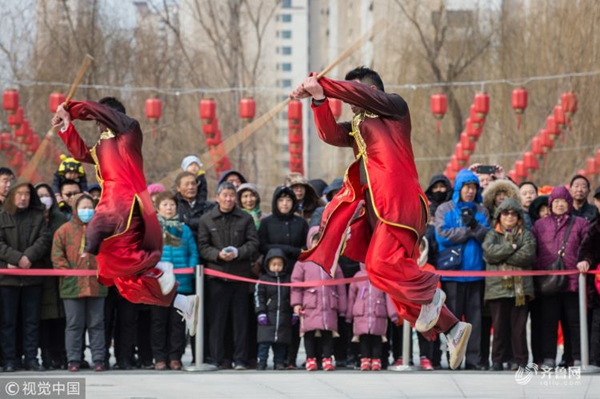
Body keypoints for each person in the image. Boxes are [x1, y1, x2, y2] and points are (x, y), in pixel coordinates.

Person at [290, 67, 470, 370]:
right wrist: (319, 99)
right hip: (378, 211)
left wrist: (325, 84)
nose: (349, 97)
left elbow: (359, 94)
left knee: (378, 265)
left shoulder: (394, 108)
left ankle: (429, 290)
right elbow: (330, 134)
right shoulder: (358, 125)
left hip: (399, 204)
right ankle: (452, 327)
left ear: (374, 90)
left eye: (353, 89)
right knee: (380, 274)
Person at [52, 99, 198, 329]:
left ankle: (157, 269)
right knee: (123, 281)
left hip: (128, 203)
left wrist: (71, 108)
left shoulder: (129, 131)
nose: (97, 125)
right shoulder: (102, 146)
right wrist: (66, 124)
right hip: (112, 205)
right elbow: (80, 152)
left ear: (106, 117)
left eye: (99, 119)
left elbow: (98, 112)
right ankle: (182, 301)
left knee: (113, 256)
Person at [197, 181, 259, 370]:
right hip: (216, 277)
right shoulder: (207, 220)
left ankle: (240, 359)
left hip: (240, 277)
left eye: (232, 195)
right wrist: (217, 255)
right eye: (225, 195)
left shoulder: (245, 218)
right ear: (217, 198)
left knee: (240, 321)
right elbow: (203, 246)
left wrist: (239, 252)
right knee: (217, 321)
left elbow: (254, 243)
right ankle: (217, 358)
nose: (228, 199)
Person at [435, 169, 490, 370]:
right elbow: (442, 235)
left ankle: (474, 360)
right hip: (453, 273)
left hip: (476, 272)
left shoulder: (482, 211)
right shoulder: (444, 209)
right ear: (459, 188)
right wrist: (467, 231)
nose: (470, 191)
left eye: (474, 187)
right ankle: (453, 359)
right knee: (453, 320)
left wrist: (475, 225)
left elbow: (487, 236)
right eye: (467, 187)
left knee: (475, 320)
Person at [531, 186, 589, 368]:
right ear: (550, 204)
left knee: (574, 322)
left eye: (563, 201)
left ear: (569, 203)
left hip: (573, 280)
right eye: (555, 201)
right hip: (548, 281)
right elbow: (533, 251)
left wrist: (585, 259)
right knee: (548, 322)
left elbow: (588, 246)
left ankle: (576, 357)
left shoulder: (580, 223)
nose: (559, 204)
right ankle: (548, 358)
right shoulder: (540, 225)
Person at [0, 182, 52, 371]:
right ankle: (9, 360)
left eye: (27, 194)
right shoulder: (2, 215)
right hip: (8, 279)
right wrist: (15, 258)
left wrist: (28, 257)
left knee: (31, 321)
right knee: (8, 322)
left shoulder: (37, 216)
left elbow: (44, 239)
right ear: (13, 195)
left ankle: (31, 358)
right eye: (20, 194)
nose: (23, 198)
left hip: (32, 278)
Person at [52, 194, 107, 372]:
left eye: (89, 207)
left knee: (97, 323)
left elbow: (110, 253)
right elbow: (57, 255)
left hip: (96, 283)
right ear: (75, 209)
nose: (86, 211)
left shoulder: (102, 229)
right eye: (83, 207)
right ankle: (73, 359)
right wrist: (67, 272)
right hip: (72, 284)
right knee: (74, 324)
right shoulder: (64, 230)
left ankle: (99, 358)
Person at [482, 198, 536, 371]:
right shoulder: (492, 234)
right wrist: (511, 247)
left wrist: (504, 253)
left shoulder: (526, 234)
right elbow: (489, 253)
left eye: (514, 213)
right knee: (499, 328)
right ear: (499, 216)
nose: (510, 217)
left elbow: (527, 255)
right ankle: (497, 360)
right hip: (497, 288)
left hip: (521, 289)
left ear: (519, 216)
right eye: (506, 213)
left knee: (519, 328)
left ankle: (519, 361)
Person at [258, 185, 308, 368]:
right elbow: (261, 245)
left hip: (294, 274)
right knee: (271, 316)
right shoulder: (267, 222)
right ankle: (266, 358)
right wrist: (278, 251)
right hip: (272, 273)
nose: (285, 203)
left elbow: (306, 248)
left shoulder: (300, 223)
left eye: (288, 200)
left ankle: (290, 359)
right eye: (281, 200)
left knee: (292, 316)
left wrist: (288, 250)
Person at [151, 191, 199, 371]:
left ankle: (175, 357)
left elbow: (193, 252)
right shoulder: (153, 229)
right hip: (159, 285)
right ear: (158, 208)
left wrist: (192, 269)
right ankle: (159, 358)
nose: (169, 208)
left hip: (181, 284)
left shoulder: (184, 229)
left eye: (172, 205)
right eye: (165, 205)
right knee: (158, 322)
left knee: (178, 323)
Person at [291, 228, 348, 371]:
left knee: (328, 332)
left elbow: (340, 285)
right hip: (309, 304)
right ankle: (311, 358)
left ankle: (327, 358)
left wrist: (342, 306)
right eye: (315, 242)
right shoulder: (302, 262)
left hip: (328, 304)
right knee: (309, 332)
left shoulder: (332, 260)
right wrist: (297, 303)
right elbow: (296, 284)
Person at [35, 183, 69, 370]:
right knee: (42, 318)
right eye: (39, 195)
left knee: (61, 317)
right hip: (38, 273)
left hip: (59, 275)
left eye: (46, 195)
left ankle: (61, 354)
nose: (43, 199)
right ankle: (46, 355)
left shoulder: (60, 218)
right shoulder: (32, 218)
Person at [346, 263, 397, 371]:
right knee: (363, 337)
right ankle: (365, 359)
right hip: (361, 313)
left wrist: (392, 314)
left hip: (378, 312)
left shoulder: (382, 275)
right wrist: (348, 315)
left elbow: (388, 296)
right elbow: (351, 297)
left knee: (377, 337)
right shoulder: (357, 276)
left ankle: (376, 359)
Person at [254, 248, 294, 370]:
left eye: (279, 265)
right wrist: (260, 312)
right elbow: (258, 296)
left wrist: (294, 313)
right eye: (274, 264)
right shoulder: (263, 279)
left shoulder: (288, 279)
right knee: (264, 343)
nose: (277, 267)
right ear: (268, 265)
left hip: (283, 316)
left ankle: (279, 362)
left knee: (281, 343)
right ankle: (262, 361)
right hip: (267, 317)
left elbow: (293, 295)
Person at [577, 214, 600, 366]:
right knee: (598, 325)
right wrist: (585, 260)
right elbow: (585, 249)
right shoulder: (595, 227)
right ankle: (595, 361)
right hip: (598, 286)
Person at [175, 172, 207, 239]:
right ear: (178, 188)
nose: (191, 187)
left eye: (193, 183)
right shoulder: (173, 206)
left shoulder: (207, 206)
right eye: (186, 184)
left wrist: (186, 221)